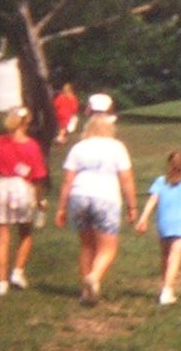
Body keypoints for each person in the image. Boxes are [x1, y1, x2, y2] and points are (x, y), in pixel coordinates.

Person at [55, 111, 138, 304]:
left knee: (86, 245)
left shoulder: (78, 148)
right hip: (106, 196)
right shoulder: (117, 147)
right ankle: (95, 276)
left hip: (79, 195)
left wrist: (61, 208)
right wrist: (132, 206)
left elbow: (67, 181)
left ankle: (86, 292)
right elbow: (126, 178)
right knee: (108, 247)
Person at [0, 107, 49, 295]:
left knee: (2, 237)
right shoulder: (32, 146)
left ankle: (1, 283)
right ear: (26, 123)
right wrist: (40, 199)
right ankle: (18, 271)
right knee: (25, 232)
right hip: (22, 189)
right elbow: (38, 177)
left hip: (0, 187)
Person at [136, 150, 181, 305]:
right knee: (175, 257)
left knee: (165, 256)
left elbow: (153, 199)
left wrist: (143, 218)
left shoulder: (161, 181)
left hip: (164, 223)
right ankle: (167, 291)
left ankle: (165, 287)